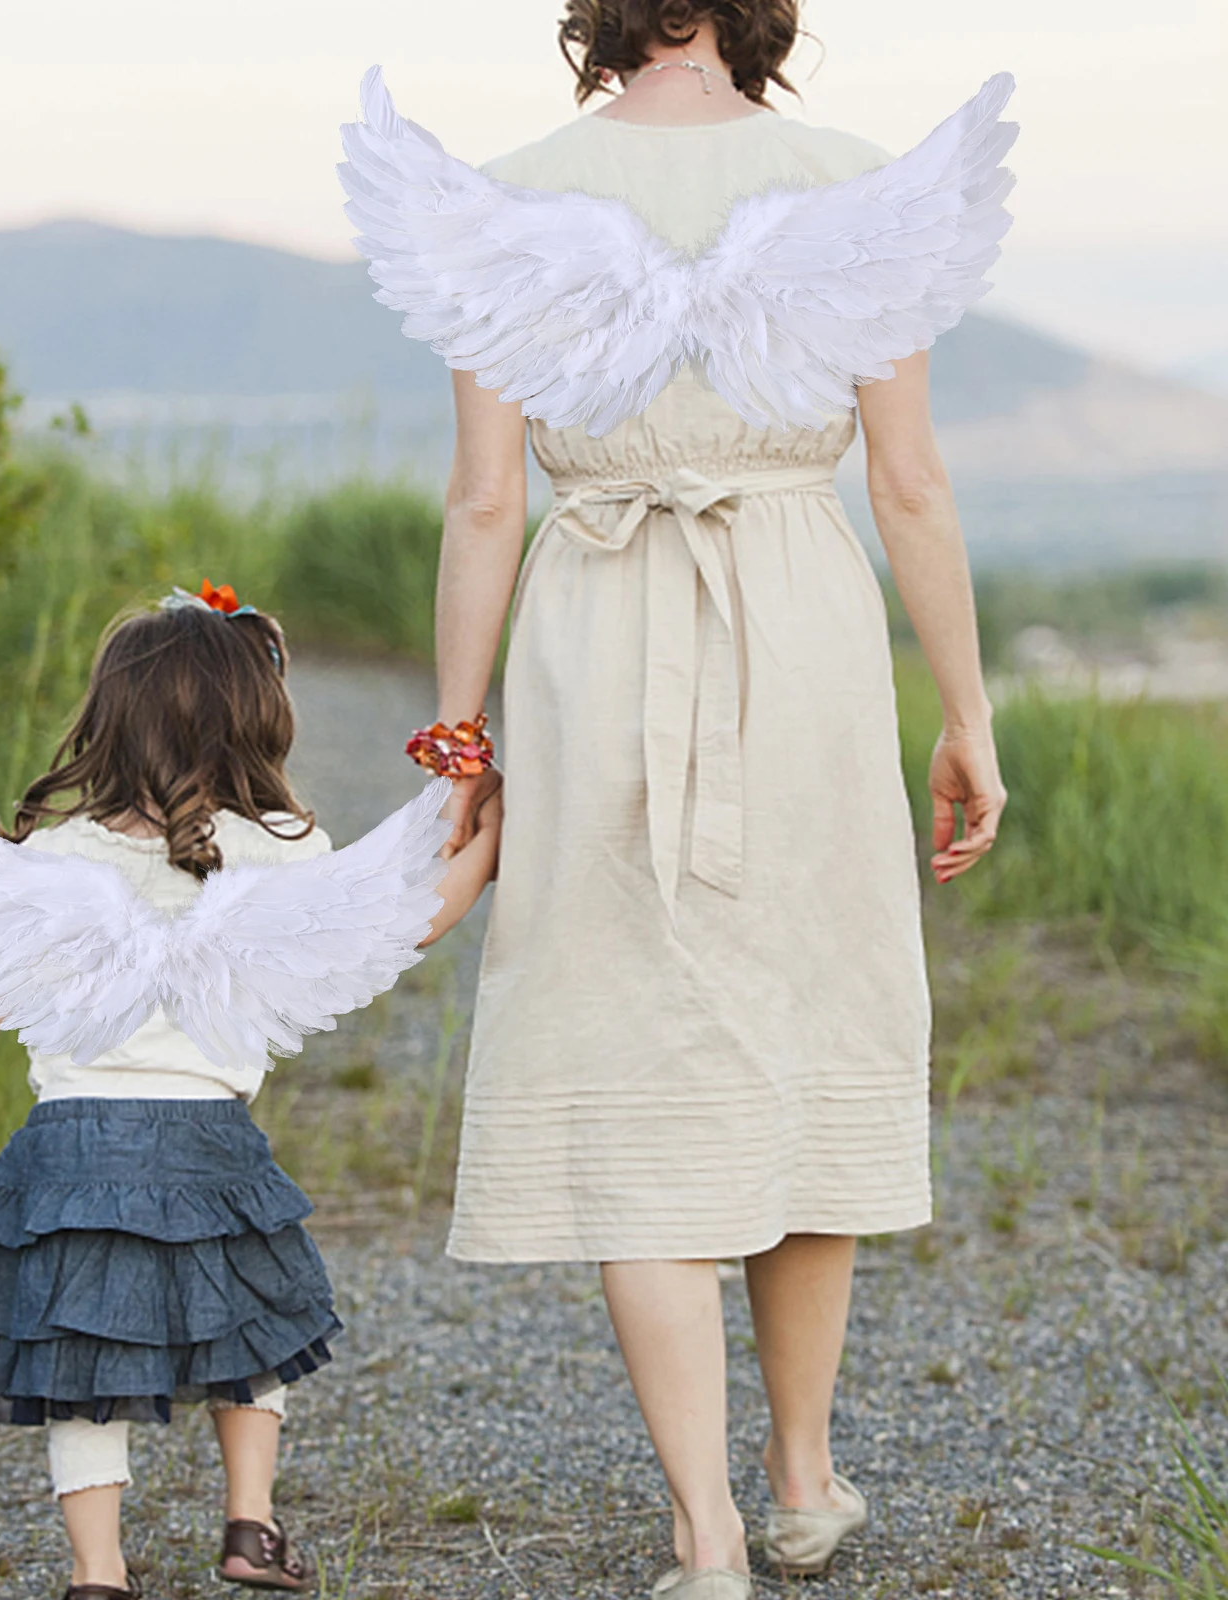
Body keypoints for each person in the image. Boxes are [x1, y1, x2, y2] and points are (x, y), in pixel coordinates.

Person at [422, 4, 1008, 1596]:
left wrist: (458, 753)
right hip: (800, 628)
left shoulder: (505, 195)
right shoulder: (851, 183)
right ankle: (806, 1475)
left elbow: (486, 502)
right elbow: (908, 481)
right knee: (808, 1023)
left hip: (593, 629)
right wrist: (966, 714)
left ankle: (710, 1535)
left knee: (628, 1049)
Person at [0, 586, 498, 1600]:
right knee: (255, 1323)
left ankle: (97, 1573)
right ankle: (249, 1523)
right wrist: (486, 842)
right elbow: (403, 918)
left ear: (107, 721)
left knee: (85, 1363)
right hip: (208, 1143)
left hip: (70, 1152)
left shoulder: (53, 855)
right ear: (253, 721)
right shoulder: (281, 850)